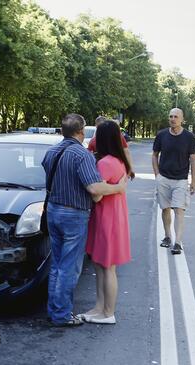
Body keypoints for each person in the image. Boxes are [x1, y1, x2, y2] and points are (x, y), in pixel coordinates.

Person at [42, 113, 128, 327]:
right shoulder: (82, 156)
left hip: (52, 210)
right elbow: (95, 189)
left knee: (57, 264)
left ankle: (54, 309)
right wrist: (118, 187)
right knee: (70, 267)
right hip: (74, 213)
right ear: (81, 132)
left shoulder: (50, 152)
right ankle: (61, 314)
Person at [80, 120, 132, 324]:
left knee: (106, 267)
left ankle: (108, 312)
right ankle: (100, 308)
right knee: (102, 266)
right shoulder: (119, 161)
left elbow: (96, 196)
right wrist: (118, 188)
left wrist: (112, 188)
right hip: (113, 217)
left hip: (106, 219)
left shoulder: (104, 163)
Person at [152, 108, 195, 255]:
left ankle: (177, 242)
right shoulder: (162, 135)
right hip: (163, 178)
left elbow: (193, 159)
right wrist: (157, 174)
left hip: (181, 180)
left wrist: (193, 182)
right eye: (170, 116)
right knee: (165, 209)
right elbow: (154, 155)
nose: (172, 119)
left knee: (179, 210)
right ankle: (167, 236)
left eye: (176, 116)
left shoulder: (189, 137)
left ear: (182, 119)